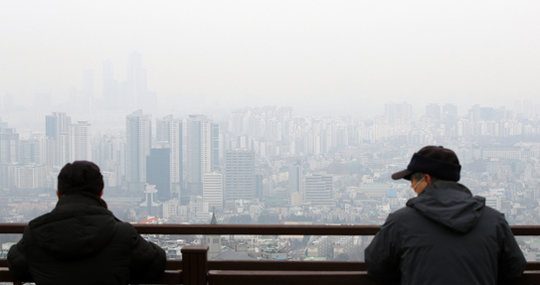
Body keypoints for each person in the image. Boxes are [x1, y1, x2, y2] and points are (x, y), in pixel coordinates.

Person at [364, 146, 526, 284]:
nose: (412, 186)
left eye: (413, 180)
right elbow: (514, 268)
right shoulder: (494, 221)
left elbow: (376, 266)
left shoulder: (400, 222)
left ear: (426, 179)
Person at [8, 161, 166, 285]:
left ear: (58, 194)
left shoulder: (36, 232)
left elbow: (17, 267)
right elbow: (155, 263)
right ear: (101, 193)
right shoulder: (121, 233)